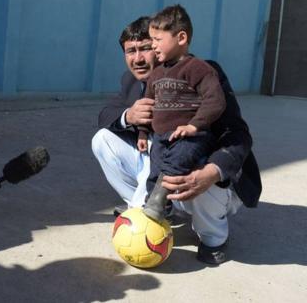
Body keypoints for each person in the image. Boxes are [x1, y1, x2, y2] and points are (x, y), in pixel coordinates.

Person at [91, 14, 262, 265]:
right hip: (163, 157)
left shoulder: (202, 72)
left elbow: (238, 135)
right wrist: (130, 115)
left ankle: (214, 238)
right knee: (103, 139)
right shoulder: (132, 80)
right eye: (130, 51)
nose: (138, 59)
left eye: (146, 48)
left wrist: (213, 172)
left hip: (203, 167)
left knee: (198, 164)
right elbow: (106, 114)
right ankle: (151, 208)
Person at [137, 6, 226, 222]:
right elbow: (148, 105)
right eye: (151, 39)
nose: (152, 45)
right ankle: (156, 203)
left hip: (191, 137)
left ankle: (157, 203)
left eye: (157, 39)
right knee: (155, 168)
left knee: (175, 163)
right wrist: (142, 132)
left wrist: (194, 125)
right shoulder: (156, 74)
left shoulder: (199, 69)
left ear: (181, 37)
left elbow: (215, 101)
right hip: (160, 137)